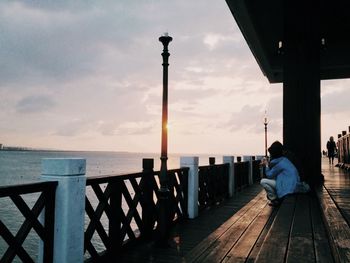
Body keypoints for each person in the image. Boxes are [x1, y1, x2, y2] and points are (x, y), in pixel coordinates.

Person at [260, 141, 301, 206]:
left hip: (288, 188)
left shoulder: (280, 164)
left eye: (270, 154)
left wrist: (266, 165)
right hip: (293, 186)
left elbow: (269, 175)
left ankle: (274, 199)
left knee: (263, 181)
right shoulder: (284, 160)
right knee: (274, 180)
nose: (270, 156)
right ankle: (275, 197)